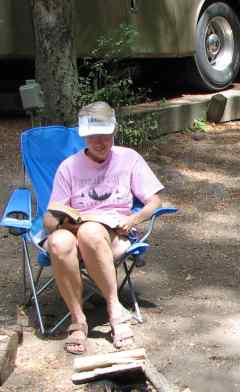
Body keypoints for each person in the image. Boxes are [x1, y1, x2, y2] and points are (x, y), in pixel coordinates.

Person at [42, 101, 164, 355]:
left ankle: (114, 309)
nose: (101, 142)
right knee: (57, 242)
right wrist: (59, 220)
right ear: (84, 136)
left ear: (114, 132)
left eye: (106, 135)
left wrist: (134, 219)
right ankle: (78, 318)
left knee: (91, 232)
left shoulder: (129, 158)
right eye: (94, 137)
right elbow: (52, 216)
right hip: (76, 227)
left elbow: (155, 201)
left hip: (113, 230)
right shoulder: (69, 167)